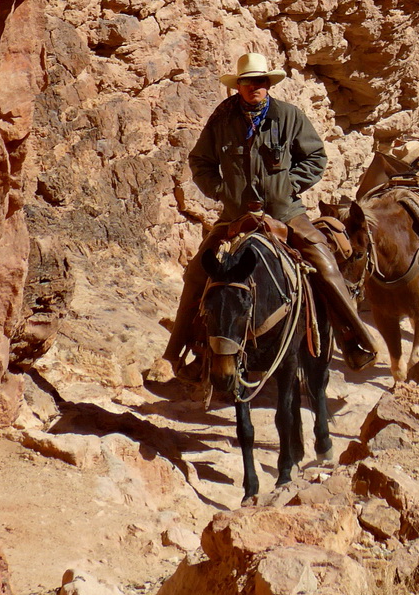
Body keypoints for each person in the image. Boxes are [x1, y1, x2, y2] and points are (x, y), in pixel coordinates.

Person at [162, 52, 378, 373]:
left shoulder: (289, 117)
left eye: (260, 82)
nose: (254, 88)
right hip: (234, 215)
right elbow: (200, 161)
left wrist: (288, 184)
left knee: (325, 263)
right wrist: (220, 190)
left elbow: (316, 157)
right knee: (197, 272)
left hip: (285, 212)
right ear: (238, 86)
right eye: (247, 83)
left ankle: (355, 341)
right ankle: (177, 354)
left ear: (268, 84)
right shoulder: (222, 119)